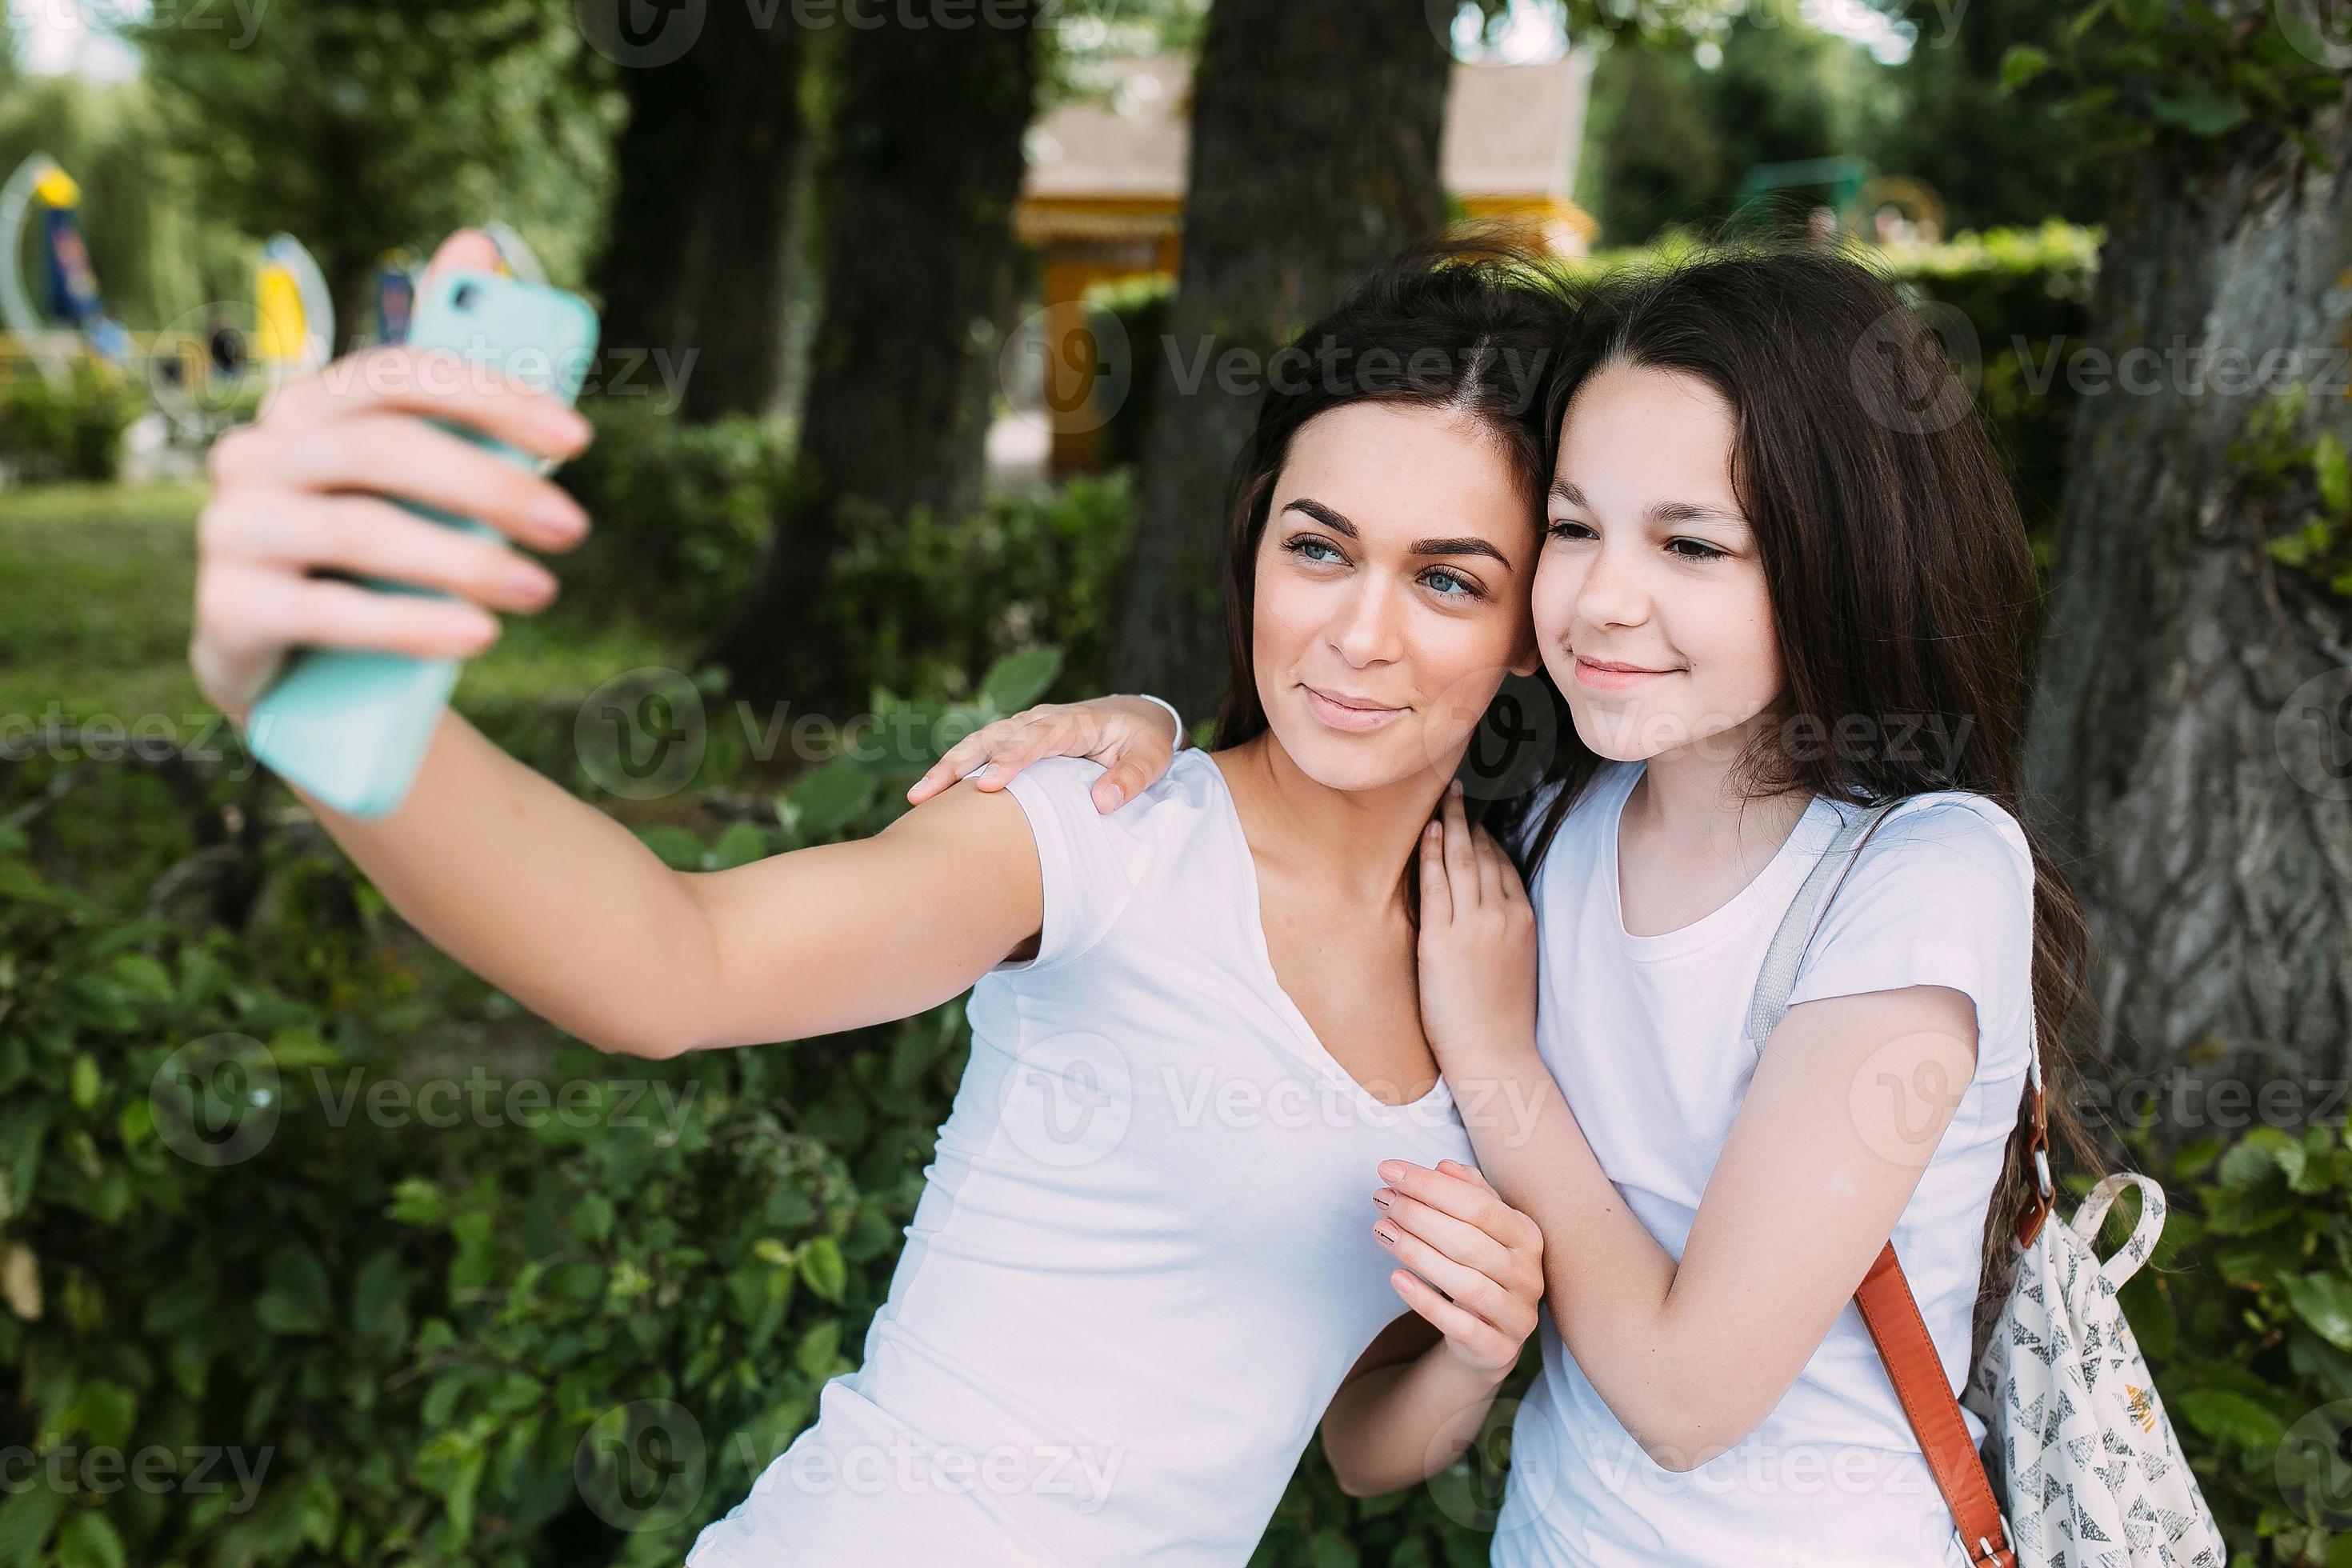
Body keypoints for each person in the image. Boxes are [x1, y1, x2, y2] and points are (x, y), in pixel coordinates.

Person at [188, 228, 1563, 1565]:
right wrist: (309, 696)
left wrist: (1472, 1353)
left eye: (1447, 579)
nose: (1360, 633)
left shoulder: (1496, 966)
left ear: (1528, 629)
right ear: (1257, 539)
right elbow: (675, 962)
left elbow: (1353, 1438)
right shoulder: (1100, 831)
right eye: (1318, 548)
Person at [931, 244, 2094, 1566]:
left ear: (1843, 558)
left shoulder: (1924, 876)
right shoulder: (1547, 831)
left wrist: (1496, 1060)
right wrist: (1141, 728)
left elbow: (1685, 1396)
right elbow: (1315, 790)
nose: (1605, 597)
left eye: (1694, 544)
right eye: (1578, 529)